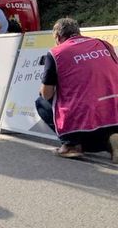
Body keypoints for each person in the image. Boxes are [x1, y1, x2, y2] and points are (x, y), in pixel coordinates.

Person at [36, 18, 118, 162]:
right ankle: (110, 142)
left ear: (57, 37)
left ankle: (71, 145)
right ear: (78, 32)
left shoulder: (56, 53)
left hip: (84, 114)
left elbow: (47, 93)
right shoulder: (104, 44)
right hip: (113, 109)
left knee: (41, 102)